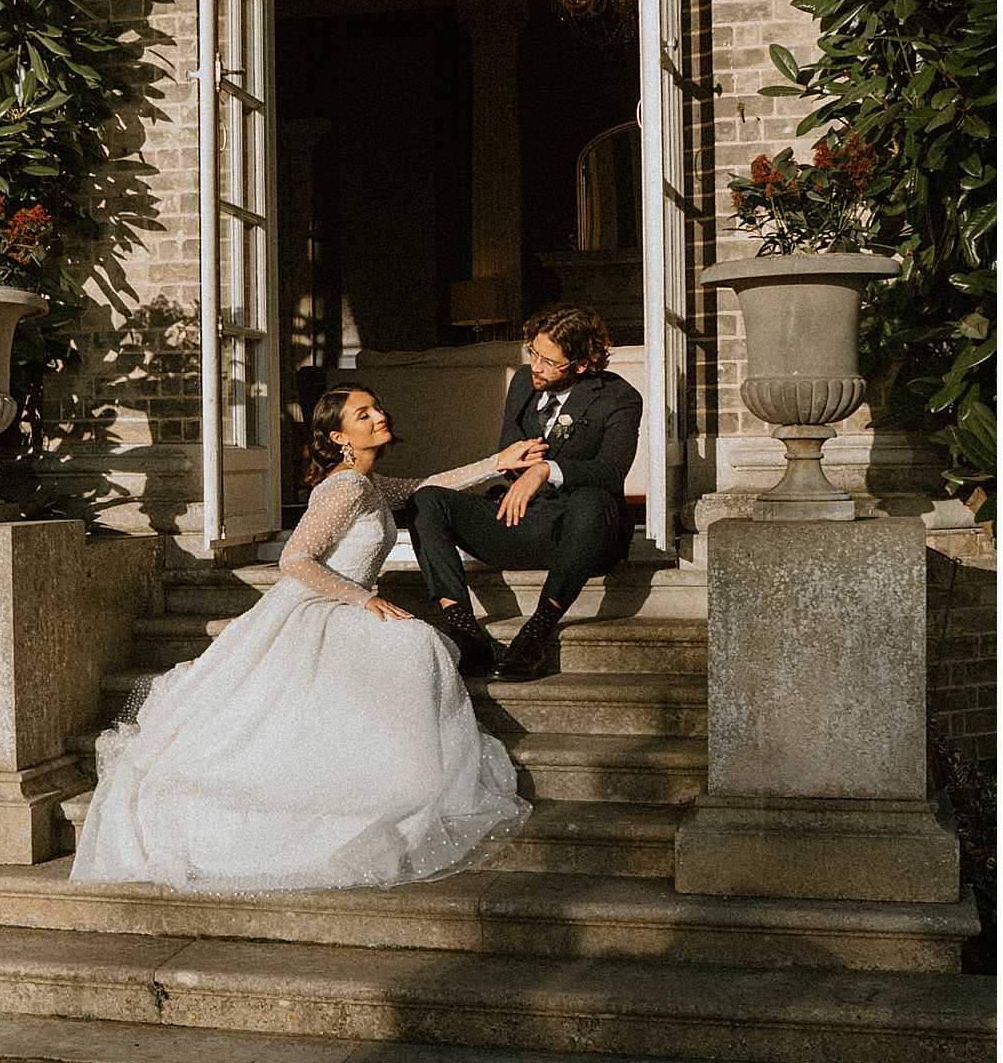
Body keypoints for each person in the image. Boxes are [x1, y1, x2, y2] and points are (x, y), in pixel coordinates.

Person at [69, 386, 540, 891]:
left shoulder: (369, 483)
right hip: (321, 606)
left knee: (415, 644)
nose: (380, 415)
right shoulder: (346, 489)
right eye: (364, 414)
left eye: (377, 406)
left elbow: (427, 485)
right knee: (414, 643)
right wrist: (363, 601)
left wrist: (498, 461)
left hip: (339, 602)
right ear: (339, 437)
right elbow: (294, 559)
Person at [410, 306, 643, 684]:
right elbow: (507, 451)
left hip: (581, 534)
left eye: (549, 361)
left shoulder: (618, 397)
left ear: (581, 365)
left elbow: (611, 470)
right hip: (523, 520)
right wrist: (518, 462)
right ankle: (465, 631)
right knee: (428, 500)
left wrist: (545, 469)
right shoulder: (523, 381)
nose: (535, 365)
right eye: (533, 352)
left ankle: (536, 632)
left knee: (593, 501)